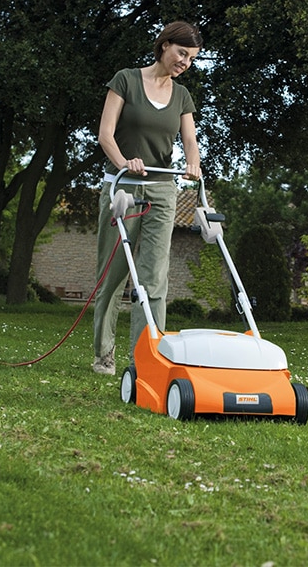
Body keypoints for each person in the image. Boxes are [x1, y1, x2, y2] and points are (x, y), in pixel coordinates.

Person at [92, 21, 203, 375]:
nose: (185, 62)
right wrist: (125, 162)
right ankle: (103, 353)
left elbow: (189, 141)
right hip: (122, 184)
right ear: (165, 45)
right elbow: (105, 134)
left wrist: (193, 165)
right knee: (114, 273)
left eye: (191, 59)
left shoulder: (182, 96)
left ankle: (146, 357)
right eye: (181, 53)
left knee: (153, 277)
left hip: (161, 189)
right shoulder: (125, 80)